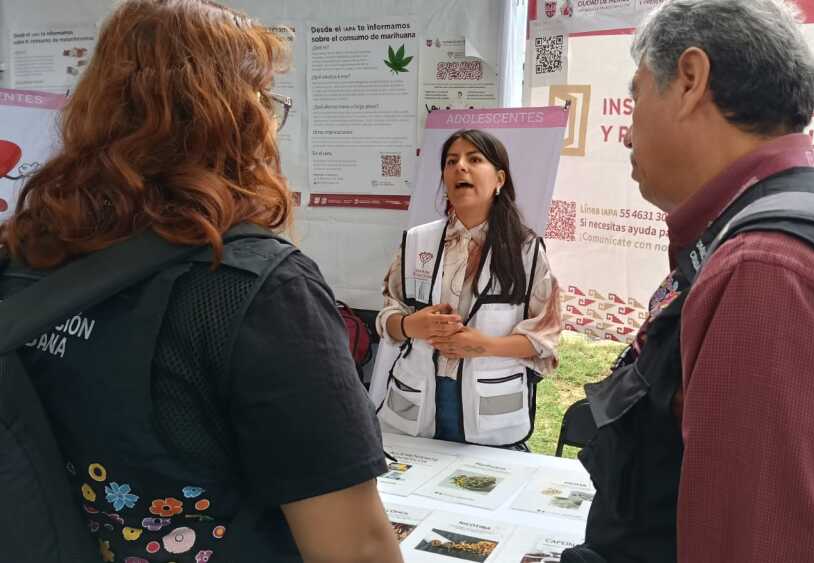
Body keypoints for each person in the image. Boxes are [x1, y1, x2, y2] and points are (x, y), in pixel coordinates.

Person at [0, 1, 402, 562]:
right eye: (267, 100)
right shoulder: (257, 289)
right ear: (237, 117)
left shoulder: (22, 254)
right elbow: (355, 548)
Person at [564, 1, 814, 562]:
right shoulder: (785, 224)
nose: (627, 133)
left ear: (691, 81)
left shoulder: (767, 271)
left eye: (636, 95)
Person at [369, 129, 561, 448]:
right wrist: (408, 325)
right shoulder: (417, 241)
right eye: (451, 161)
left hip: (489, 411)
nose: (460, 167)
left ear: (499, 179)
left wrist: (484, 345)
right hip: (418, 402)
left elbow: (546, 337)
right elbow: (388, 314)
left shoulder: (526, 250)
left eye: (474, 159)